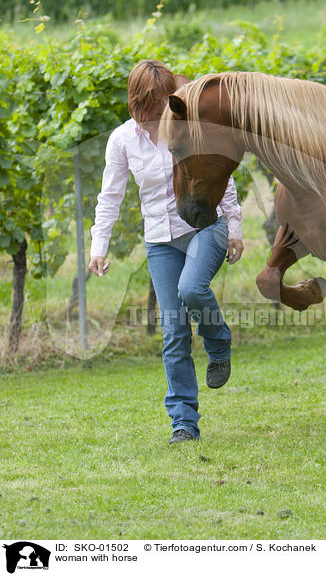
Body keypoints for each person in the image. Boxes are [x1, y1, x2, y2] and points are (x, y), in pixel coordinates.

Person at [89, 59, 243, 444]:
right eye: (151, 104)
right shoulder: (122, 140)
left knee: (192, 288)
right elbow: (110, 196)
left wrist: (236, 228)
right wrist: (98, 245)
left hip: (204, 225)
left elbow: (219, 176)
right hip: (160, 240)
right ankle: (184, 422)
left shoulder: (189, 126)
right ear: (136, 101)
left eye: (164, 102)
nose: (159, 111)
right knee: (173, 331)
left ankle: (218, 340)